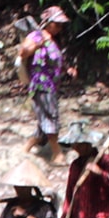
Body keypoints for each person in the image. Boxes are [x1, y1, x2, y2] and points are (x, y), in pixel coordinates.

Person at [15, 8, 71, 160]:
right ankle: (57, 153)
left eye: (61, 25)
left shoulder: (54, 39)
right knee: (50, 116)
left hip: (51, 86)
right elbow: (23, 52)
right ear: (48, 23)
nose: (60, 28)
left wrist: (68, 69)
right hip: (41, 85)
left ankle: (27, 147)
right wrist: (40, 43)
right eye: (57, 24)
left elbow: (57, 59)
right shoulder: (36, 36)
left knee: (44, 123)